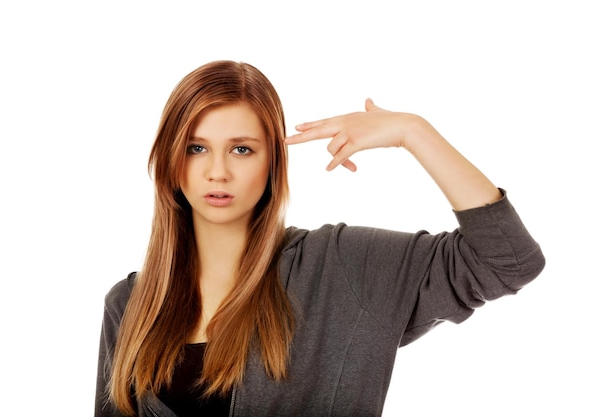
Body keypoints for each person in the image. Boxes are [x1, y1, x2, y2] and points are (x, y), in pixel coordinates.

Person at [95, 60, 545, 417]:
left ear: (273, 163)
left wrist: (413, 131)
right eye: (197, 147)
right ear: (171, 160)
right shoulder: (130, 304)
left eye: (241, 149)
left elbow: (507, 260)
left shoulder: (342, 267)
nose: (218, 171)